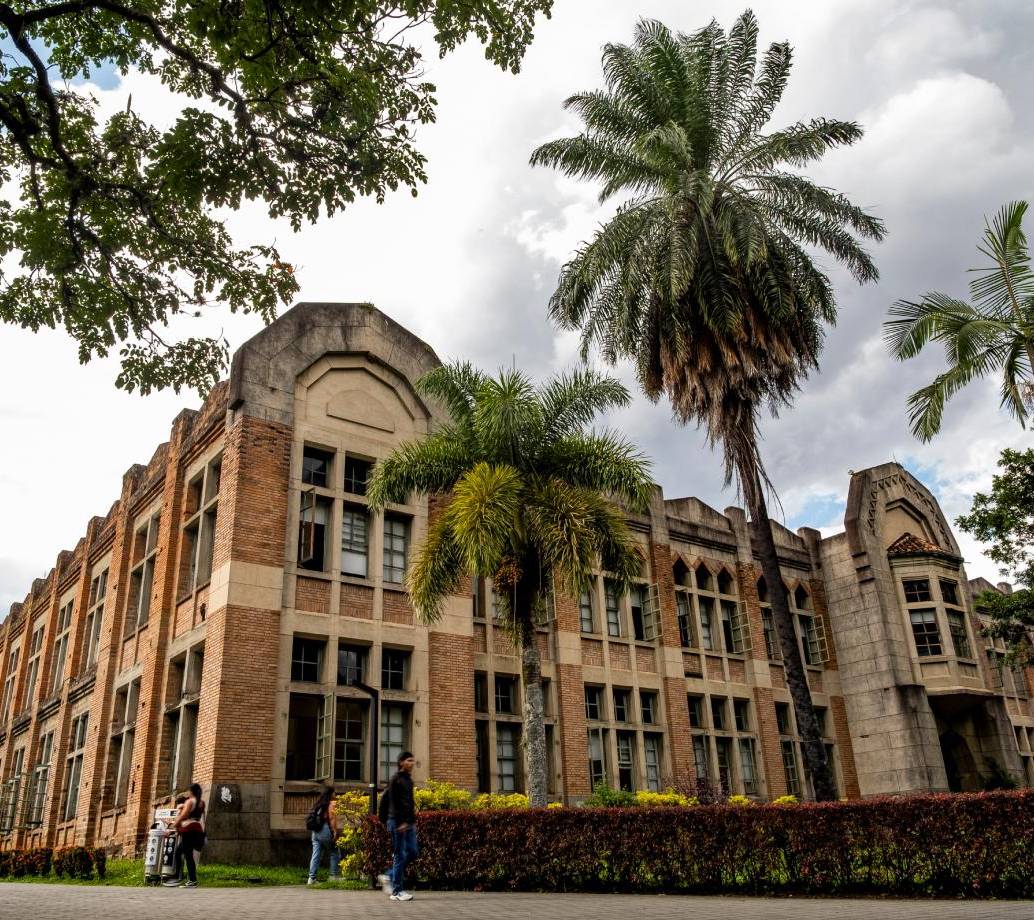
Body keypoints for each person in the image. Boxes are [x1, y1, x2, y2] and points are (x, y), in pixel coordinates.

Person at [381, 751, 417, 901]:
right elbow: (393, 802)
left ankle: (388, 876)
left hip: (408, 823)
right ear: (401, 762)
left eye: (413, 761)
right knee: (399, 855)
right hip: (397, 822)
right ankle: (397, 891)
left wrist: (411, 821)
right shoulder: (396, 779)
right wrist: (400, 821)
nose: (412, 763)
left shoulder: (408, 780)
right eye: (409, 760)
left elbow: (409, 803)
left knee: (413, 852)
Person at [163, 783, 206, 888]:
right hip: (197, 829)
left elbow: (184, 815)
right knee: (179, 852)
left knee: (188, 855)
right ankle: (178, 877)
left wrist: (173, 826)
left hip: (188, 829)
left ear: (191, 792)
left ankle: (192, 880)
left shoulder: (190, 801)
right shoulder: (201, 802)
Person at [307, 786, 340, 885]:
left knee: (316, 854)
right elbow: (332, 818)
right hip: (325, 829)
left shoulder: (319, 804)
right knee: (334, 852)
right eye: (334, 793)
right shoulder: (331, 804)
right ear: (331, 794)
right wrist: (335, 831)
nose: (336, 795)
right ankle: (333, 876)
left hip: (315, 831)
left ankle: (311, 878)